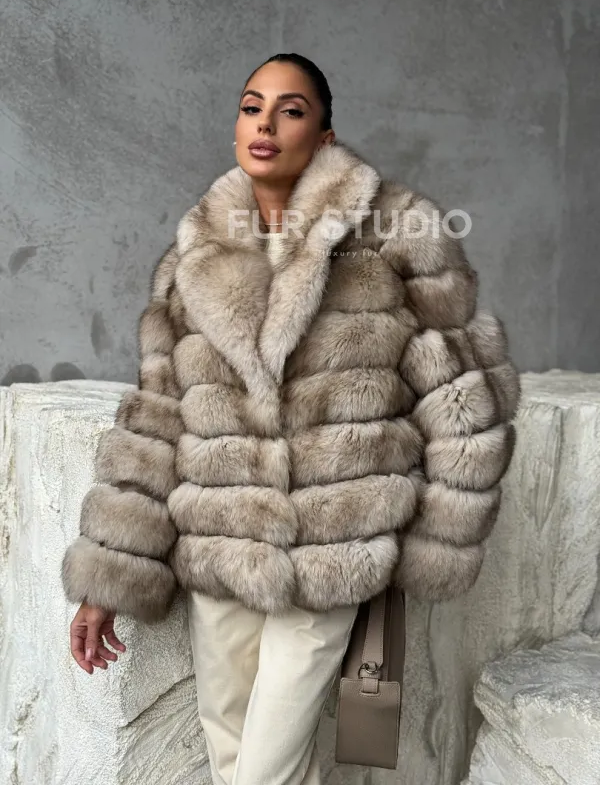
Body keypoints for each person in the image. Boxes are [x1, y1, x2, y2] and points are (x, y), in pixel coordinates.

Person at [61, 52, 520, 784]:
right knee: (232, 755)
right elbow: (156, 420)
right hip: (221, 546)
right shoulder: (193, 259)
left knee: (261, 773)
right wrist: (106, 575)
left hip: (335, 547)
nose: (266, 123)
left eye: (291, 109)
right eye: (252, 106)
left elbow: (466, 396)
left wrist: (432, 536)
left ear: (325, 135)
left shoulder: (396, 235)